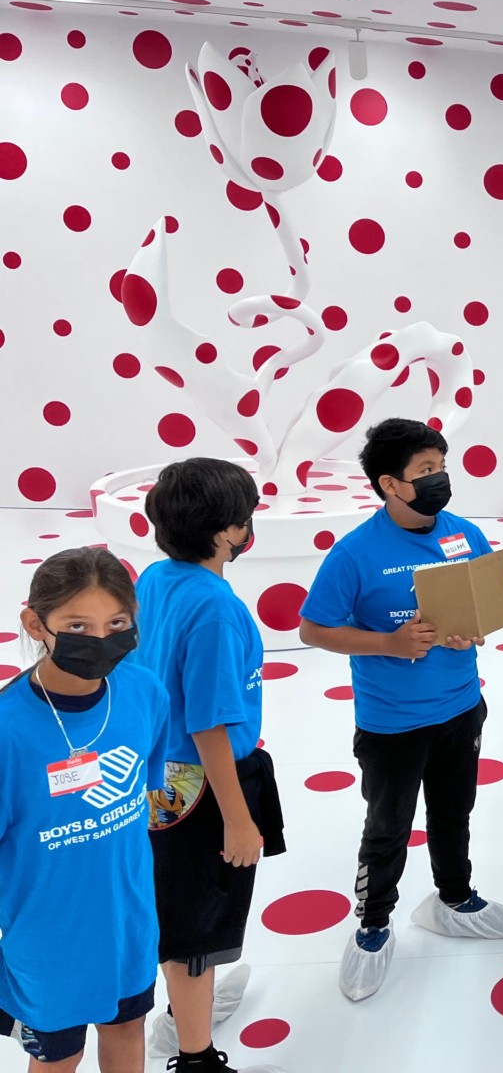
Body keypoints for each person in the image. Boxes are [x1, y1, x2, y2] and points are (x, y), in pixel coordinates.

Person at [299, 418, 503, 1003]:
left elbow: (476, 609)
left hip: (460, 707)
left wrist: (468, 631)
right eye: (425, 471)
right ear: (390, 484)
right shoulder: (354, 553)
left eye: (441, 467)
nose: (439, 479)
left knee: (454, 813)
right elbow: (313, 629)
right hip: (392, 722)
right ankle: (374, 924)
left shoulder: (464, 534)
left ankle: (456, 898)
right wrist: (387, 643)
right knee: (388, 828)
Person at [135, 459, 286, 1073]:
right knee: (198, 925)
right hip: (201, 783)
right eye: (244, 516)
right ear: (227, 530)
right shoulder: (216, 609)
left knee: (177, 905)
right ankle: (195, 1052)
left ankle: (185, 1010)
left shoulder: (153, 578)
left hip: (158, 776)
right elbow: (209, 724)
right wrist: (238, 818)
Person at [0, 548, 169, 1073]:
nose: (100, 640)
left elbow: (147, 795)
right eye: (78, 624)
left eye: (116, 623)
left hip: (128, 922)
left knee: (126, 1031)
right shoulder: (8, 731)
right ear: (35, 623)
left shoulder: (143, 692)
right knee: (59, 1058)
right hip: (47, 943)